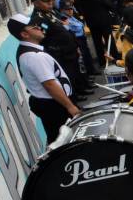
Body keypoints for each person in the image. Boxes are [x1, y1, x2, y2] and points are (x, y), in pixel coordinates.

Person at [7, 14, 79, 143]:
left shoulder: (29, 52)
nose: (40, 27)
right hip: (55, 106)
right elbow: (50, 85)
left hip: (53, 104)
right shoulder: (34, 56)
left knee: (60, 140)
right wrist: (70, 106)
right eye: (34, 27)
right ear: (24, 34)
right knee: (63, 142)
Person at [29, 0, 87, 96]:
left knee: (75, 72)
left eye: (51, 0)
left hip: (69, 50)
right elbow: (43, 37)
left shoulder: (50, 13)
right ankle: (73, 96)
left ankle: (80, 90)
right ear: (36, 3)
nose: (50, 3)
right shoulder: (39, 18)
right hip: (60, 53)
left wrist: (75, 45)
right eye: (46, 1)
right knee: (68, 76)